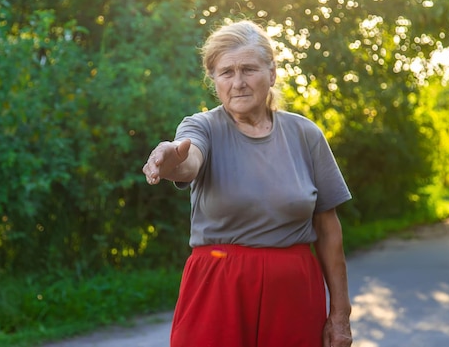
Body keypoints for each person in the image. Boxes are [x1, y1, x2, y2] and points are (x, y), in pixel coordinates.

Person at [142, 20, 353, 347]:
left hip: (294, 292)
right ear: (214, 80)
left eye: (249, 69)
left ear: (272, 73)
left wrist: (340, 315)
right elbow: (189, 160)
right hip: (218, 287)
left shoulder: (305, 135)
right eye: (226, 72)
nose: (237, 82)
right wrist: (171, 159)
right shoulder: (202, 127)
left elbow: (328, 229)